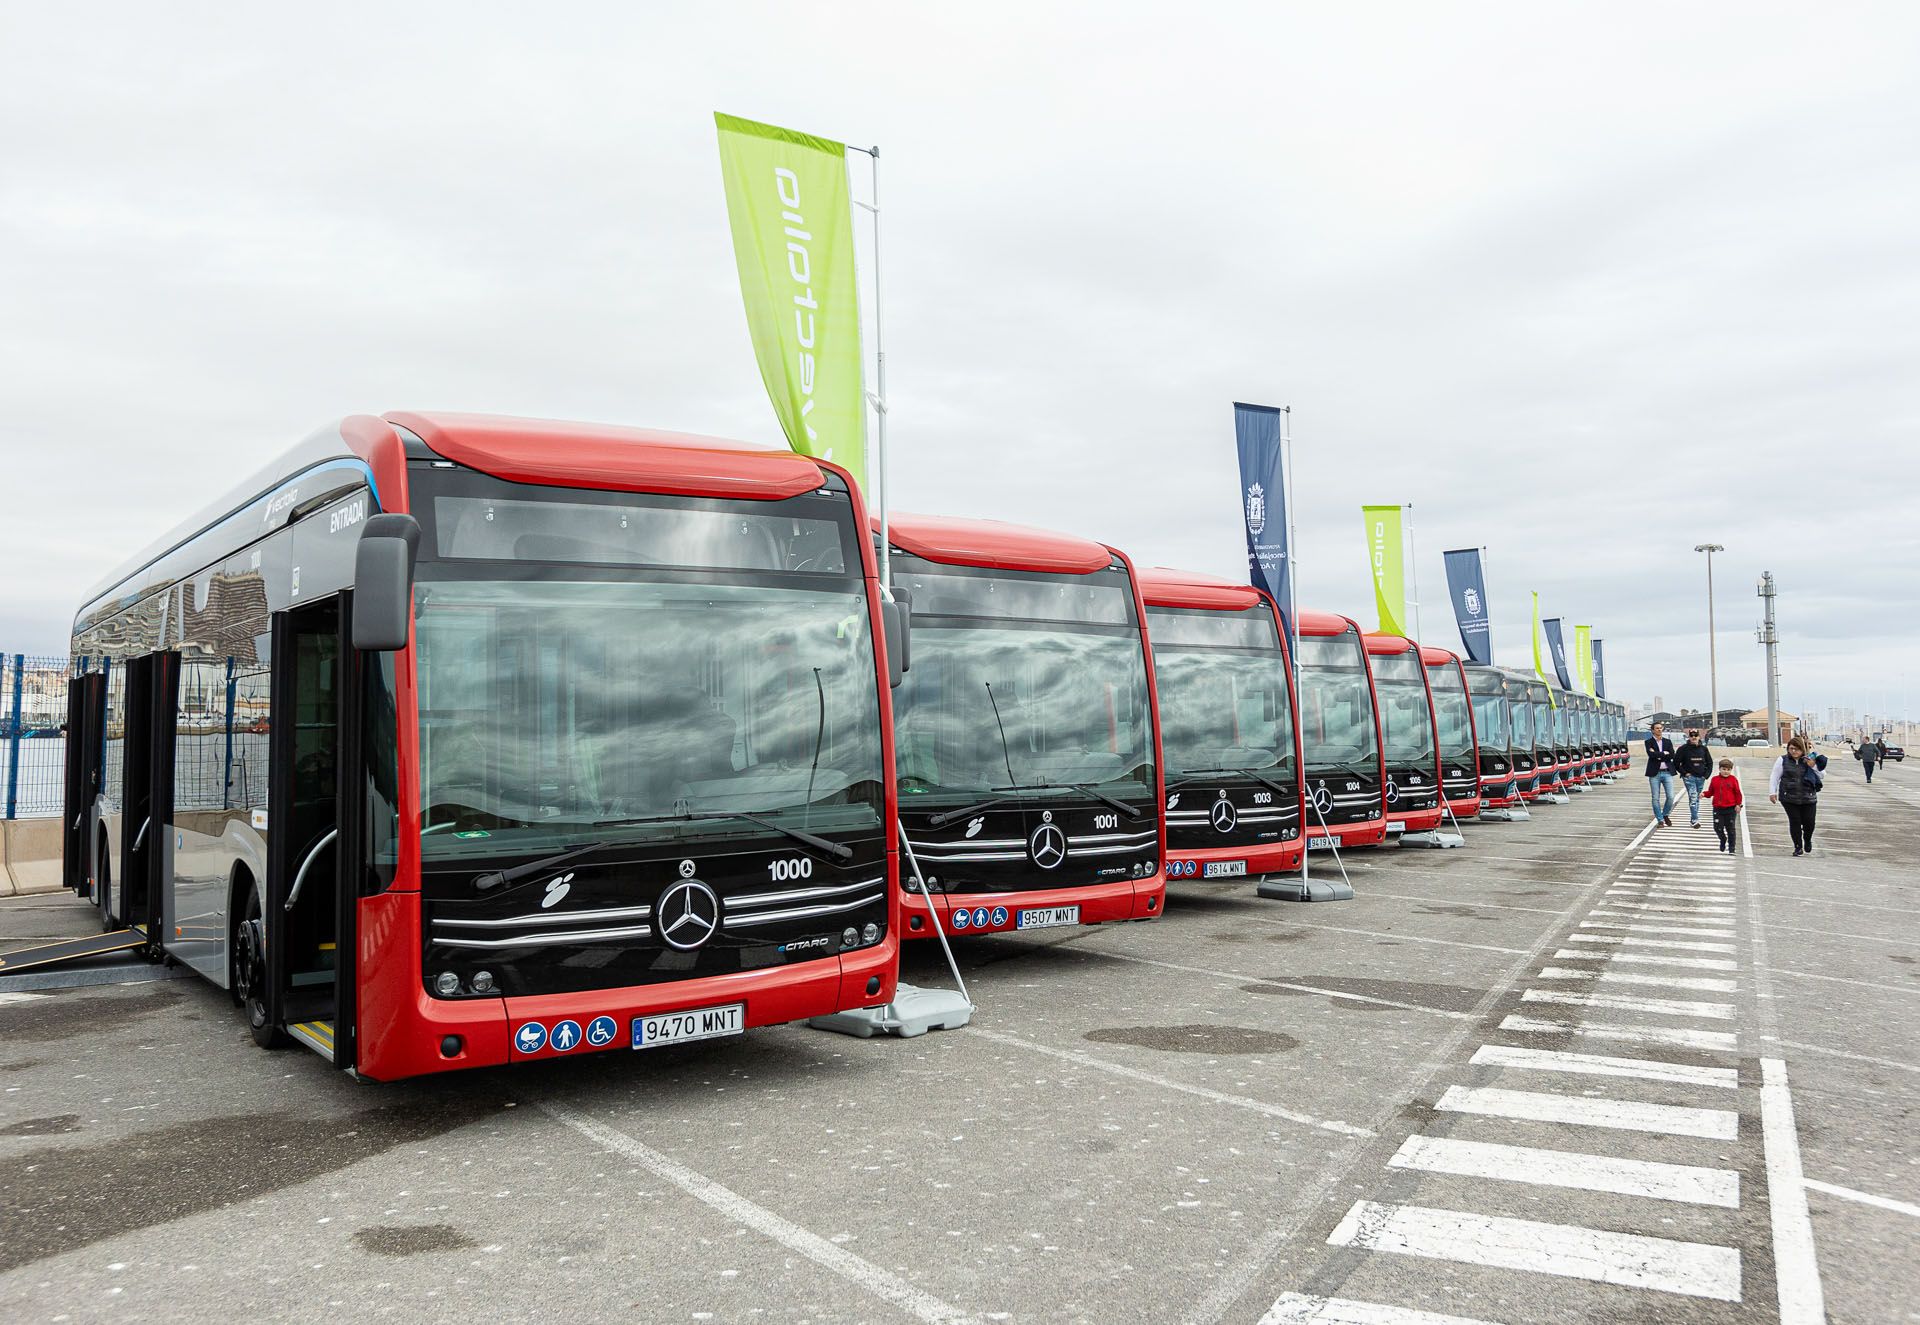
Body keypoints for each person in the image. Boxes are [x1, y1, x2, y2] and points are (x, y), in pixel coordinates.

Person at [1770, 735, 1824, 857]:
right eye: (1791, 748)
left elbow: (1822, 775)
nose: (1794, 751)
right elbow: (1774, 776)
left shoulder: (1809, 759)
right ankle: (1798, 847)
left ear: (1802, 749)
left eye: (1796, 749)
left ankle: (1807, 839)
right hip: (1788, 797)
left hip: (1808, 797)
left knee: (1809, 823)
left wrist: (1813, 766)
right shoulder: (1782, 760)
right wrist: (1772, 792)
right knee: (1795, 822)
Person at [1675, 727, 1714, 828]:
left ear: (1699, 736)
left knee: (1696, 798)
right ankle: (1694, 820)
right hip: (1689, 778)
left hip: (1700, 777)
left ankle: (1694, 818)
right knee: (1693, 798)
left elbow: (1710, 762)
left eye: (1695, 735)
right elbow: (1676, 763)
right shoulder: (1683, 749)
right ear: (1689, 736)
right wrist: (1684, 773)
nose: (1693, 737)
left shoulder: (1704, 749)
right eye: (1691, 736)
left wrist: (1706, 775)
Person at [1644, 721, 1679, 827]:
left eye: (1661, 728)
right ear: (1653, 730)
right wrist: (1664, 753)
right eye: (1657, 728)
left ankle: (1665, 814)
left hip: (1667, 772)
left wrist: (1658, 754)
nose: (1659, 730)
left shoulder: (1668, 742)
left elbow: (1672, 755)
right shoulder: (1648, 742)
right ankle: (1660, 819)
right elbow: (1651, 755)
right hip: (1654, 774)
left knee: (1671, 796)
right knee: (1655, 798)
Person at [1706, 757, 1744, 853]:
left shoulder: (1733, 780)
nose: (1726, 772)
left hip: (1730, 808)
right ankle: (1722, 839)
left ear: (1731, 770)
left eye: (1728, 770)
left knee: (1731, 829)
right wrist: (1704, 794)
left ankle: (1732, 849)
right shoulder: (1715, 779)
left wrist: (1738, 805)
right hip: (1718, 808)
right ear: (1719, 769)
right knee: (1718, 827)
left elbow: (1738, 793)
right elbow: (1711, 792)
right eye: (1724, 769)